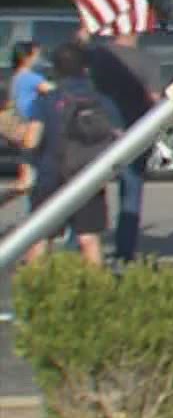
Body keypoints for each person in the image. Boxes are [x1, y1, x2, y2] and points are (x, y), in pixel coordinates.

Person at [19, 43, 120, 267]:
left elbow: (32, 139)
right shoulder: (101, 100)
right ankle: (96, 292)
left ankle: (34, 287)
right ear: (85, 68)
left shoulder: (47, 99)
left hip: (50, 176)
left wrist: (26, 164)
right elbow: (117, 135)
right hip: (88, 177)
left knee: (40, 237)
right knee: (89, 238)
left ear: (55, 69)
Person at [85, 30, 163, 261]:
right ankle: (125, 250)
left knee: (87, 192)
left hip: (96, 132)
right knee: (131, 190)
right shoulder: (146, 61)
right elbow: (155, 98)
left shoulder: (97, 56)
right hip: (134, 133)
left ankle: (80, 244)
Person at [4, 41, 53, 205]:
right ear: (27, 57)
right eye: (36, 55)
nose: (38, 58)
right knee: (35, 177)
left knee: (28, 176)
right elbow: (55, 92)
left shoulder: (16, 77)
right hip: (33, 127)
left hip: (20, 128)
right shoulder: (32, 78)